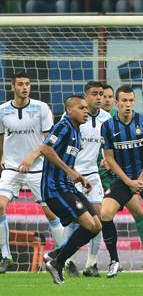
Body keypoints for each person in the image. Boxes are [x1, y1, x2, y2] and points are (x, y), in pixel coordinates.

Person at [100, 85, 143, 279]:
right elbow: (109, 158)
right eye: (124, 101)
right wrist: (128, 181)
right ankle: (114, 261)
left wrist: (139, 180)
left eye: (131, 100)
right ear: (117, 103)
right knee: (104, 214)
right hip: (123, 179)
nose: (128, 104)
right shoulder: (107, 126)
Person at [0, 72, 64, 274]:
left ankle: (63, 258)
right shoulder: (2, 110)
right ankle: (5, 256)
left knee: (51, 212)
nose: (25, 87)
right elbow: (0, 138)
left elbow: (48, 140)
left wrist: (32, 156)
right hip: (12, 167)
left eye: (27, 84)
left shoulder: (41, 108)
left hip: (37, 167)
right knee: (0, 206)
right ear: (13, 87)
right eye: (20, 84)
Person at [42, 95, 101, 285]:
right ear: (69, 110)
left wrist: (80, 176)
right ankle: (58, 262)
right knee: (89, 225)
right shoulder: (64, 126)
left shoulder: (77, 132)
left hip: (68, 186)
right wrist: (69, 171)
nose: (86, 111)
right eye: (82, 108)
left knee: (97, 225)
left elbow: (65, 160)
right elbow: (45, 149)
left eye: (87, 108)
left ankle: (55, 256)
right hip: (55, 189)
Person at [60, 82, 111, 277]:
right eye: (94, 94)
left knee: (99, 218)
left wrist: (107, 158)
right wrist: (68, 170)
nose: (99, 97)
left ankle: (91, 264)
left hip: (92, 174)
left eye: (101, 94)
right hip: (73, 174)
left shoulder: (106, 119)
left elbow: (109, 143)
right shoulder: (72, 116)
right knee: (74, 220)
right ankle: (68, 261)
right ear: (86, 96)